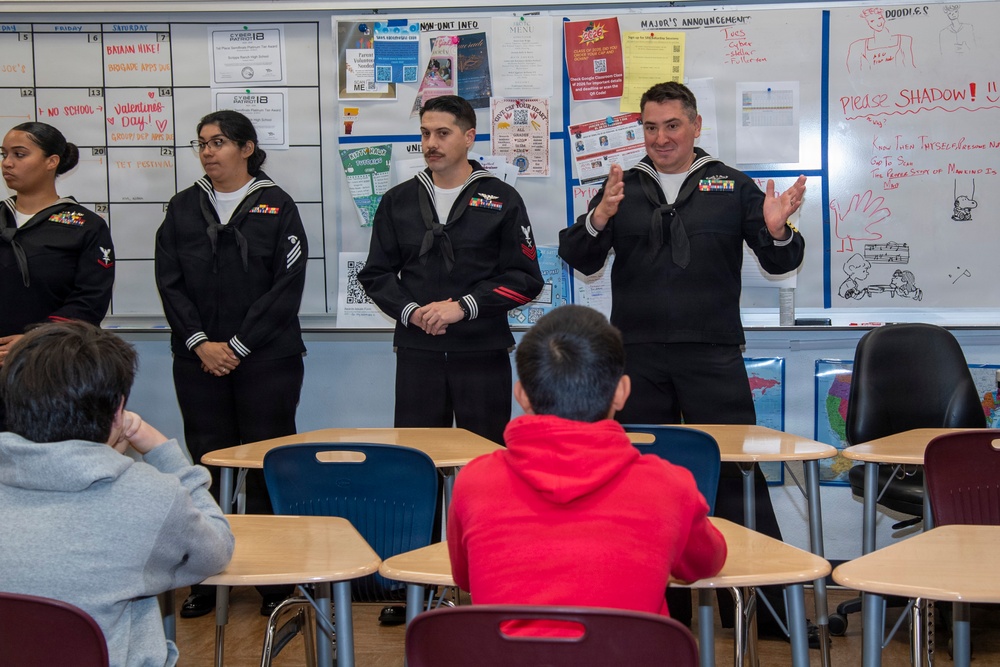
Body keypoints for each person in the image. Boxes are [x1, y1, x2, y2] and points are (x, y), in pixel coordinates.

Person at [558, 81, 806, 637]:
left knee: (737, 478)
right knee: (644, 481)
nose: (661, 137)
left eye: (672, 125)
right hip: (638, 358)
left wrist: (776, 230)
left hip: (712, 354)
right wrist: (599, 217)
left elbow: (779, 258)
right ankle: (656, 615)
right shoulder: (621, 185)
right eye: (650, 127)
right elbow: (580, 257)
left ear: (695, 126)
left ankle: (762, 617)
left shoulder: (731, 184)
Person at [447, 305, 726, 625]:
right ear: (622, 392)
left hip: (506, 651)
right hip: (628, 650)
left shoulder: (474, 482)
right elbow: (707, 562)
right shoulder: (669, 486)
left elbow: (465, 578)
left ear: (521, 395)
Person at [0, 320, 234, 667]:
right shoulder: (150, 495)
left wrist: (105, 456)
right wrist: (162, 451)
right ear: (118, 410)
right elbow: (216, 551)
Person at [154, 110, 306, 618]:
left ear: (246, 148)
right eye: (201, 143)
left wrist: (238, 345)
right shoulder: (183, 207)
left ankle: (272, 580)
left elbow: (286, 287)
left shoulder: (278, 205)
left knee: (266, 464)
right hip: (197, 360)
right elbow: (169, 282)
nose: (207, 152)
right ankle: (205, 575)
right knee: (206, 465)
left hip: (267, 359)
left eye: (218, 142)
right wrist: (201, 343)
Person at [359, 95, 543, 445]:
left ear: (469, 137)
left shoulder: (502, 198)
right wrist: (411, 312)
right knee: (419, 456)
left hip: (481, 351)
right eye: (425, 133)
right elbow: (375, 274)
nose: (431, 143)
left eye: (442, 133)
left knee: (485, 455)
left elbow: (525, 279)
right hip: (418, 352)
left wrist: (464, 307)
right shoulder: (398, 200)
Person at [0, 122, 115, 429]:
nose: (7, 163)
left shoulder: (85, 226)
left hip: (53, 369)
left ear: (51, 161)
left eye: (19, 154)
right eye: (4, 154)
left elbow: (90, 299)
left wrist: (34, 340)